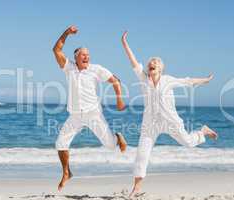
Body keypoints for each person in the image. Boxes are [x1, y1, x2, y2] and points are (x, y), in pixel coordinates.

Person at [121, 31, 218, 197]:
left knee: (188, 142)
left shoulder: (168, 80)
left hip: (170, 121)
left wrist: (205, 80)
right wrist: (124, 43)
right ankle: (136, 187)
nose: (152, 63)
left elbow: (188, 81)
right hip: (150, 124)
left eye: (156, 63)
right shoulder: (143, 78)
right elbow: (133, 61)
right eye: (150, 62)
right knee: (142, 154)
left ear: (161, 68)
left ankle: (202, 131)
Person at [53, 25, 127, 191]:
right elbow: (56, 50)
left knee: (109, 146)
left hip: (94, 114)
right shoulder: (69, 68)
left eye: (88, 55)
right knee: (60, 144)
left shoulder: (96, 69)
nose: (87, 57)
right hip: (74, 116)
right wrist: (66, 33)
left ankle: (117, 136)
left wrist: (119, 101)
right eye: (83, 55)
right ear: (76, 57)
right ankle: (66, 173)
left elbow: (116, 80)